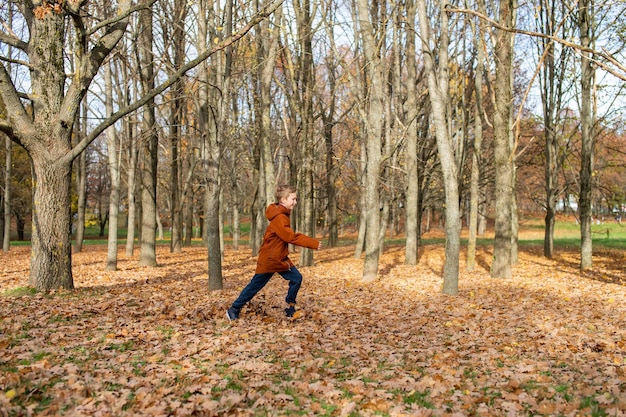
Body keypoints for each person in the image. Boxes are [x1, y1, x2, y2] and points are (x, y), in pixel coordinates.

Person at [226, 185, 322, 320]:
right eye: (293, 199)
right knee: (255, 286)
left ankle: (290, 307)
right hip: (271, 259)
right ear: (283, 199)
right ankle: (234, 309)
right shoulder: (280, 218)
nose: (295, 202)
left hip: (279, 258)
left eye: (296, 199)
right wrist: (313, 243)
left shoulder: (281, 215)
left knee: (296, 278)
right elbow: (290, 237)